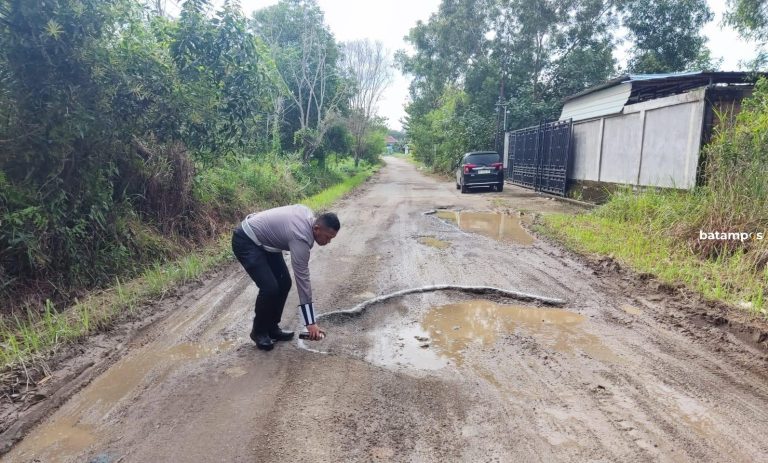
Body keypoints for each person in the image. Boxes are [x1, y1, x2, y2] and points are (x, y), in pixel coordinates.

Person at [231, 204, 340, 351]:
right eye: (327, 237)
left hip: (266, 242)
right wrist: (310, 322)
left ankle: (272, 328)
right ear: (316, 229)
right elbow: (303, 280)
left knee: (284, 283)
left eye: (331, 238)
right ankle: (259, 332)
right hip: (246, 240)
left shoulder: (308, 215)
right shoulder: (301, 237)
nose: (328, 242)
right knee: (269, 288)